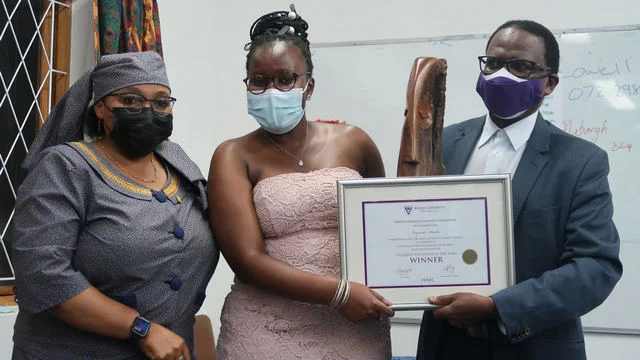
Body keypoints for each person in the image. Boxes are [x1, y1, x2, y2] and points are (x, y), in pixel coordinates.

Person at [416, 20, 622, 360]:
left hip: (535, 346)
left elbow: (595, 266)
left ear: (549, 83)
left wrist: (498, 307)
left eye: (520, 66)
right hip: (445, 344)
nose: (501, 75)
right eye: (493, 63)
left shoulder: (581, 162)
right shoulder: (442, 143)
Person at [208, 6, 394, 359]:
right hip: (266, 329)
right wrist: (338, 293)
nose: (271, 90)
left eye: (285, 78)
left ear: (309, 85)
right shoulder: (233, 155)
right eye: (259, 81)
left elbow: (382, 227)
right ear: (246, 85)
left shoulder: (355, 142)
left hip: (355, 327)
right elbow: (247, 260)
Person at [11, 51, 219, 360]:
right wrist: (141, 328)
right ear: (101, 109)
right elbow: (43, 276)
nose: (148, 111)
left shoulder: (178, 162)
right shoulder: (65, 168)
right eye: (132, 101)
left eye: (161, 102)